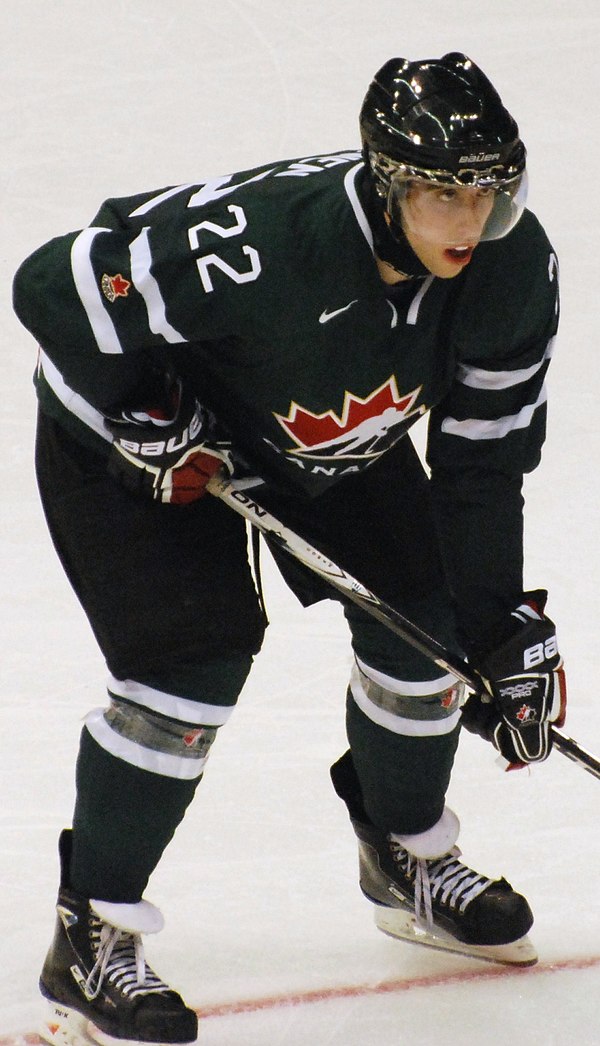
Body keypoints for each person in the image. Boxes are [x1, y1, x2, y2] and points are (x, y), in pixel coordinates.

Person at [13, 51, 567, 1046]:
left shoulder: (514, 272)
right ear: (389, 183)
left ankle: (403, 852)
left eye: (485, 187)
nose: (469, 218)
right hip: (155, 452)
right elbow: (54, 282)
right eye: (443, 191)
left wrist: (496, 635)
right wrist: (135, 404)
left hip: (323, 438)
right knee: (191, 665)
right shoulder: (264, 244)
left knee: (433, 631)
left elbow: (483, 467)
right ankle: (90, 927)